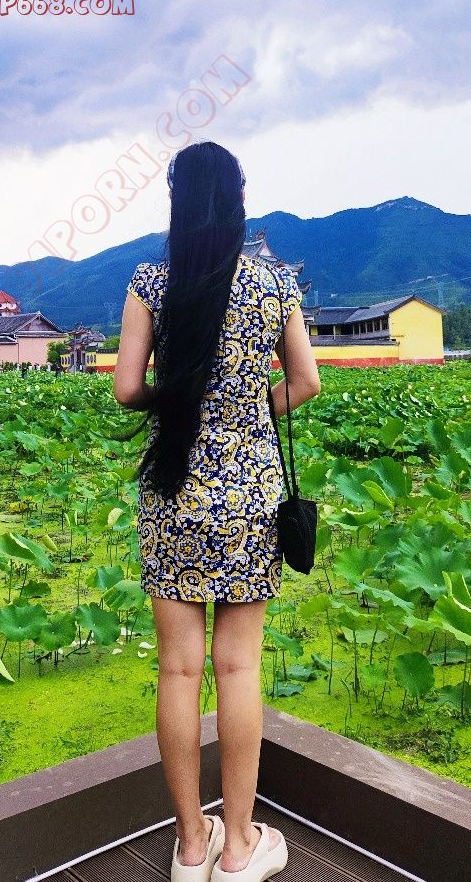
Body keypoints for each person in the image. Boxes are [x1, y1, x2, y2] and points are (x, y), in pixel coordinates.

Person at [113, 141, 320, 881]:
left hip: (173, 491)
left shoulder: (150, 281)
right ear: (237, 201)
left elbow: (127, 388)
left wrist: (183, 404)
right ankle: (237, 849)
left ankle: (190, 846)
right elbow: (307, 381)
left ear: (177, 203)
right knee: (238, 669)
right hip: (248, 498)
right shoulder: (274, 284)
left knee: (177, 671)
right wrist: (246, 415)